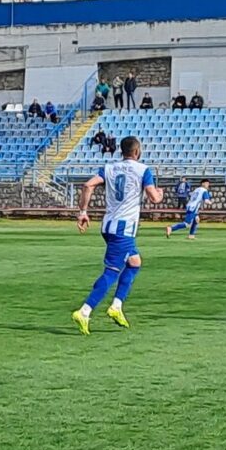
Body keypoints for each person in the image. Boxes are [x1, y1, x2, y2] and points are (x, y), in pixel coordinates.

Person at [72, 136, 163, 335]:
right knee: (112, 271)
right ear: (137, 152)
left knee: (134, 262)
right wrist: (160, 193)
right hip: (123, 229)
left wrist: (83, 212)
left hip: (108, 225)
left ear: (121, 151)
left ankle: (116, 306)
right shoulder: (143, 170)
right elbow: (154, 198)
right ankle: (85, 311)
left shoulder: (109, 168)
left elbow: (88, 185)